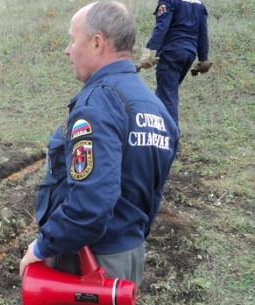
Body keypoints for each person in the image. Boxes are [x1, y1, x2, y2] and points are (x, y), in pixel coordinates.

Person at [19, 1, 180, 288]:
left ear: (96, 43)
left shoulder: (98, 104)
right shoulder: (156, 109)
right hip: (128, 258)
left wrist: (43, 247)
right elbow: (152, 195)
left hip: (88, 264)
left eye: (72, 39)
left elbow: (90, 203)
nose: (67, 50)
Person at [139, 0, 211, 128]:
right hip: (189, 54)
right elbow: (203, 31)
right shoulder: (199, 3)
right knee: (166, 93)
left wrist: (148, 50)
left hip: (172, 52)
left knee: (167, 97)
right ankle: (157, 131)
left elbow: (162, 25)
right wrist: (202, 58)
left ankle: (172, 142)